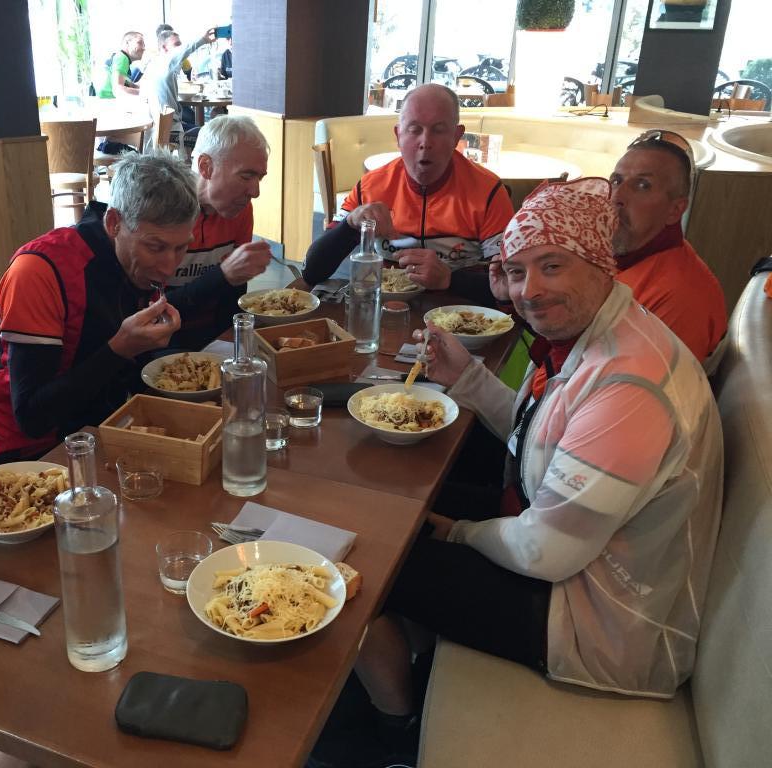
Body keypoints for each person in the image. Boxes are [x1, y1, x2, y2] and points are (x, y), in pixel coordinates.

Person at [338, 178, 724, 766]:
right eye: (516, 272)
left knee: (375, 561)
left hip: (599, 622)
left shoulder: (631, 385)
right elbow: (544, 437)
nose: (530, 290)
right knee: (387, 505)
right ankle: (405, 660)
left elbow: (545, 552)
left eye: (552, 266)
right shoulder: (606, 333)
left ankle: (396, 735)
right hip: (574, 557)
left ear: (600, 263)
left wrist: (456, 531)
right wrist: (467, 377)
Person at [0, 152, 198, 458]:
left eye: (181, 248)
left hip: (108, 421)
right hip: (39, 452)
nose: (169, 267)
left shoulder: (136, 260)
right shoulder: (38, 270)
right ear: (113, 223)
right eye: (155, 247)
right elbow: (32, 418)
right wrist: (119, 349)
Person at [302, 83, 514, 304]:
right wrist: (349, 224)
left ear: (456, 136)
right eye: (414, 129)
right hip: (384, 311)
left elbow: (510, 288)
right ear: (398, 135)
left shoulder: (489, 192)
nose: (425, 143)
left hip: (462, 315)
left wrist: (450, 279)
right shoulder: (371, 187)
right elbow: (311, 272)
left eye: (438, 130)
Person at [610, 128, 727, 368]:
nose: (616, 197)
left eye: (642, 185)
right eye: (616, 181)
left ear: (675, 210)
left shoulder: (681, 299)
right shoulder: (619, 255)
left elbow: (640, 387)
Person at [165, 114, 272, 349]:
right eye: (246, 176)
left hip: (216, 338)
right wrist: (223, 275)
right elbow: (152, 312)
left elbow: (232, 299)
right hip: (163, 341)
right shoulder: (162, 212)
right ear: (206, 167)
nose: (255, 192)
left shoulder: (239, 209)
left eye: (259, 178)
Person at [144, 27, 216, 149]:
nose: (180, 48)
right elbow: (186, 49)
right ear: (164, 48)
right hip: (170, 132)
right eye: (176, 45)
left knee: (198, 128)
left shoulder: (153, 65)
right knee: (211, 136)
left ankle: (189, 157)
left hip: (155, 132)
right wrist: (203, 39)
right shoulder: (166, 62)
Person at [95, 30, 146, 99]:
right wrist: (144, 93)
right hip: (107, 101)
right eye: (139, 42)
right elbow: (118, 90)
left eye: (144, 45)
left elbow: (131, 85)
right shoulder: (122, 58)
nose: (143, 48)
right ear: (127, 43)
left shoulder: (122, 59)